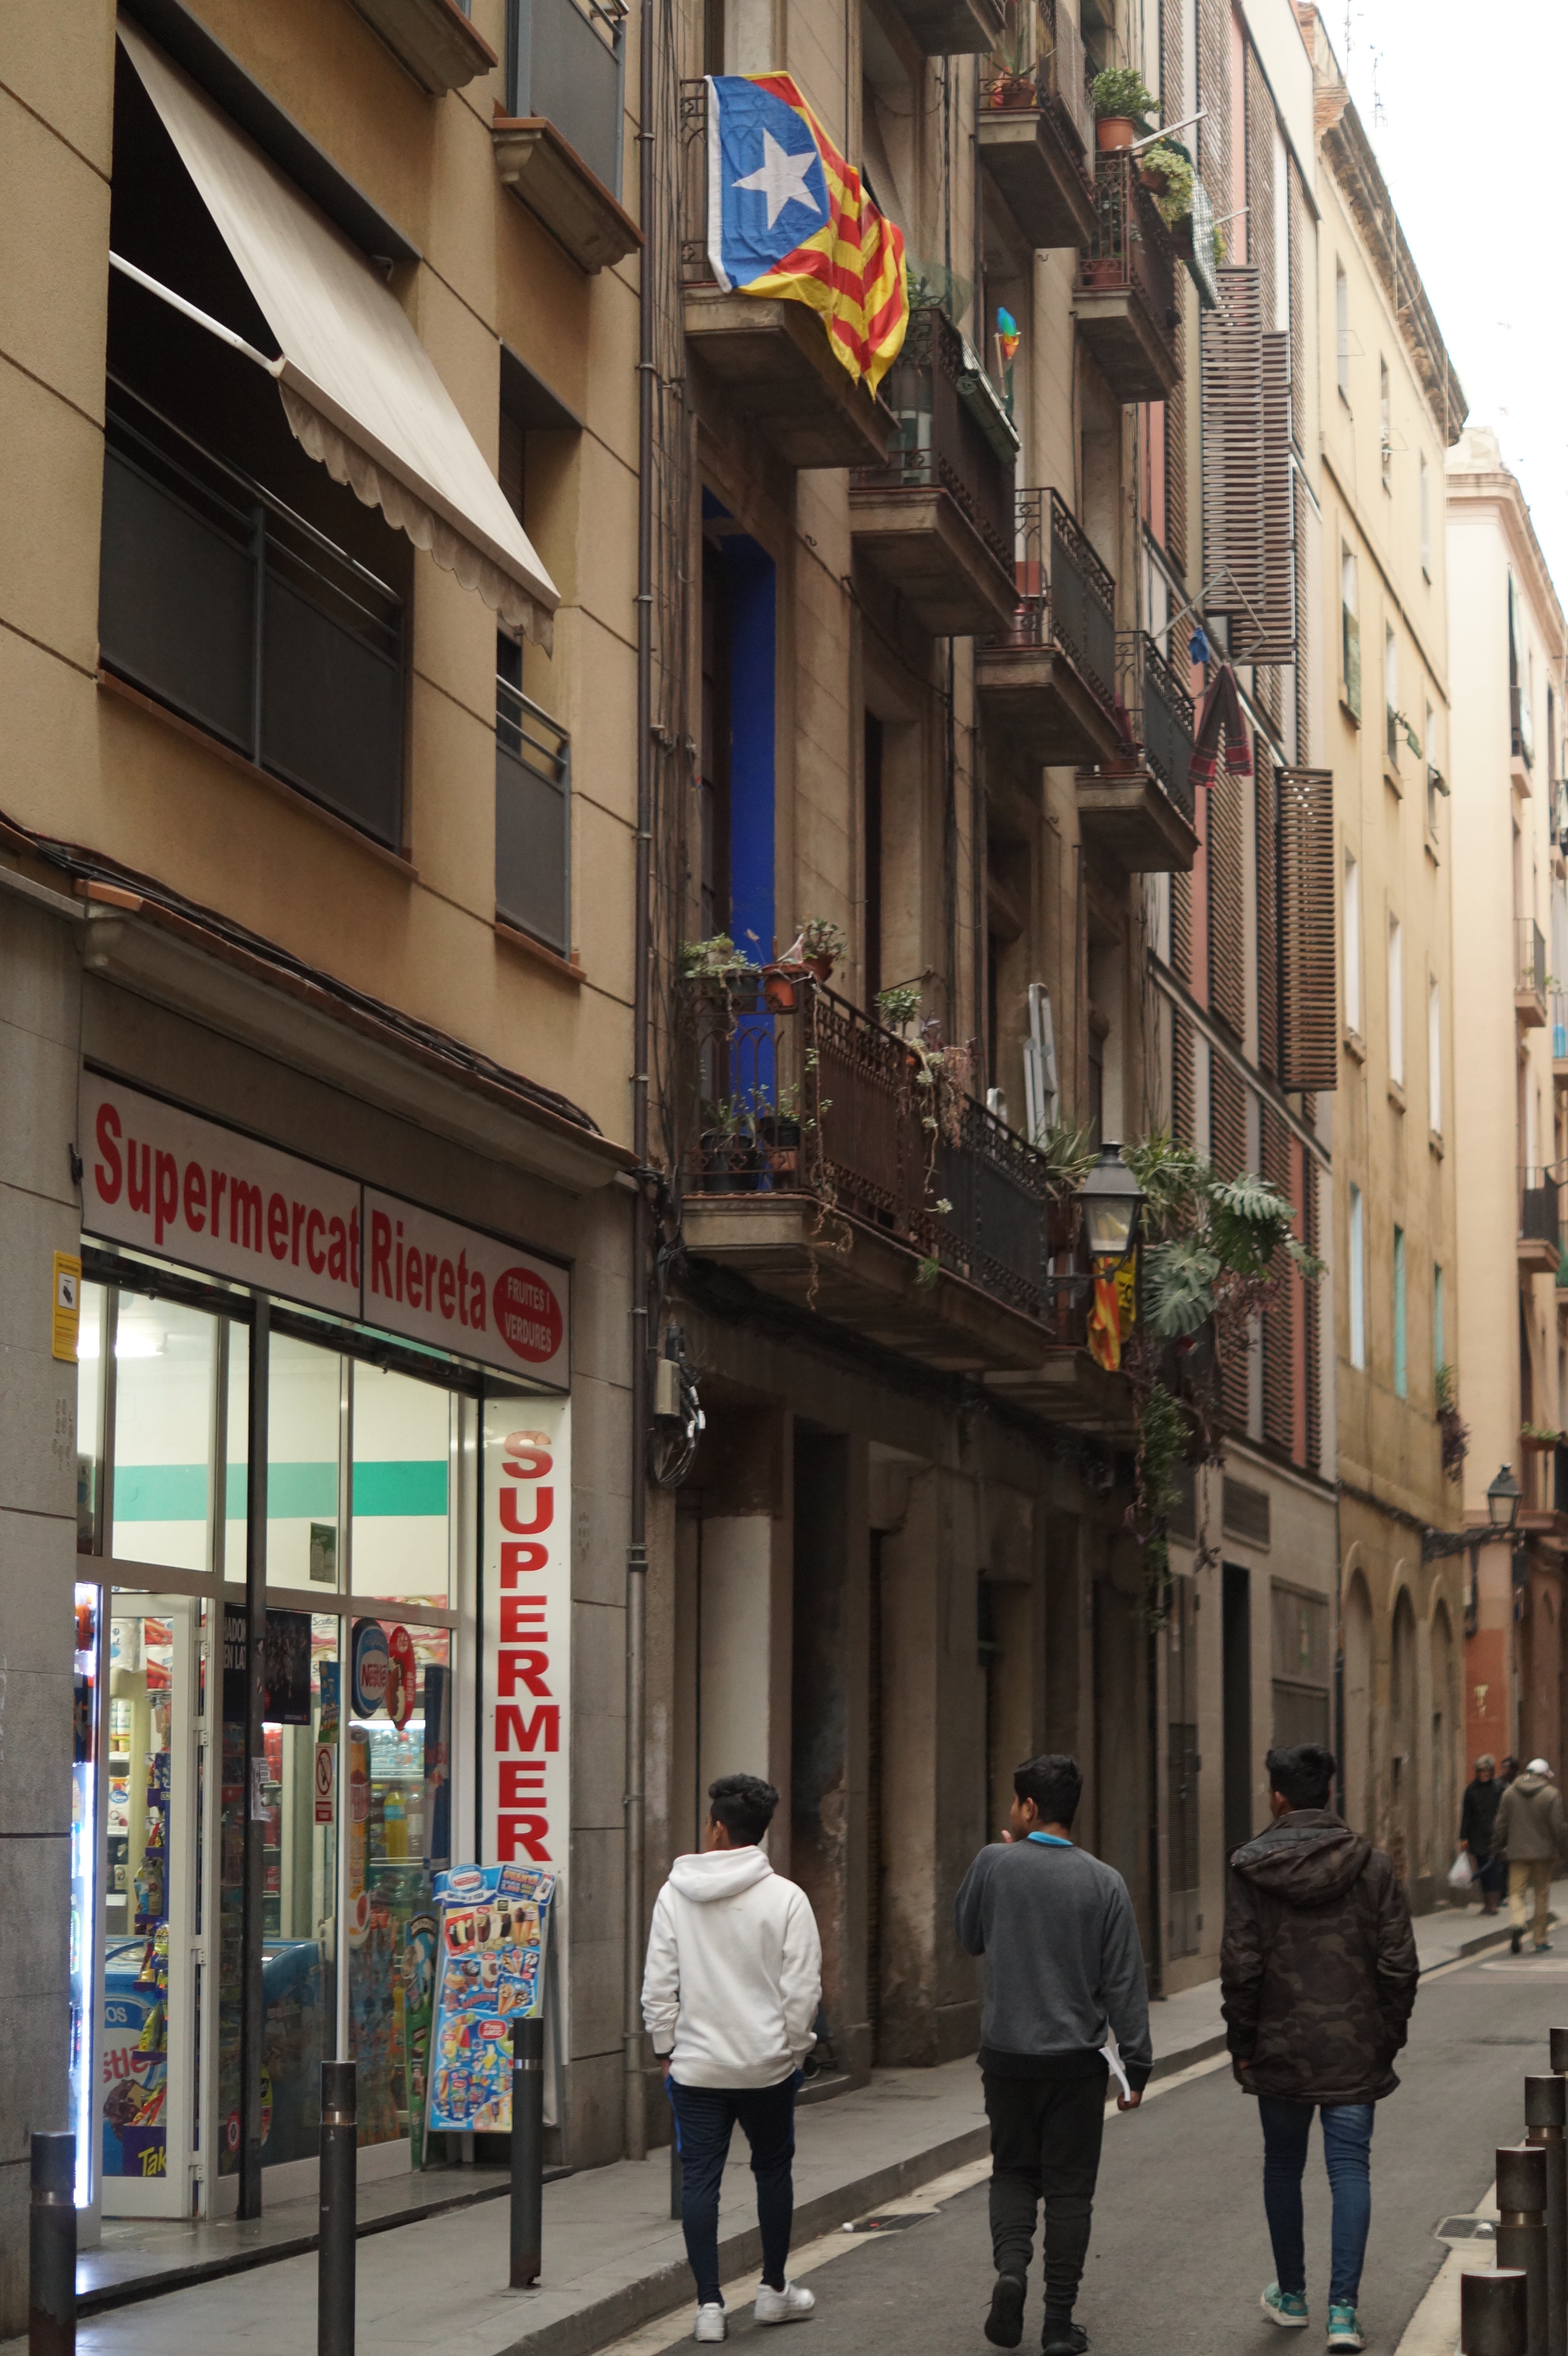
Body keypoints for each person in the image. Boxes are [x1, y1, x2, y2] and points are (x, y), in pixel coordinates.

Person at [1220, 1742, 1418, 2354]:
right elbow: (1399, 1964)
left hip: (1277, 2047)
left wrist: (1243, 2042)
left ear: (1277, 1798)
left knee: (1283, 2165)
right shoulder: (1373, 1865)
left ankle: (1292, 2296)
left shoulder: (1250, 1868)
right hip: (1354, 2048)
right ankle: (1343, 2313)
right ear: (1328, 1795)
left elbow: (1241, 1966)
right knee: (1349, 2168)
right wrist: (1385, 2037)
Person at [955, 1753, 1151, 2356]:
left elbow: (968, 1936)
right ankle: (1058, 2324)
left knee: (1013, 2171)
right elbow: (1124, 1981)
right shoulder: (1104, 1881)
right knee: (1069, 2191)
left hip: (1007, 2058)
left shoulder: (993, 1863)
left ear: (1029, 1807)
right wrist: (1137, 2065)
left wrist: (998, 1859)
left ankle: (1012, 2269)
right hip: (1076, 2064)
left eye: (1015, 1802)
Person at [642, 1773, 823, 2343]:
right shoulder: (787, 1898)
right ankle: (773, 2290)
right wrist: (795, 2052)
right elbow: (803, 1992)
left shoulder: (675, 1895)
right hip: (767, 2066)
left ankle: (709, 2307)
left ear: (717, 1827)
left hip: (696, 2067)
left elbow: (658, 1985)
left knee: (701, 2179)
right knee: (773, 2170)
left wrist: (665, 2048)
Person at [1492, 1756, 1568, 1954]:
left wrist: (1497, 1848)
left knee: (1516, 1893)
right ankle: (1540, 1939)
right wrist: (1564, 1851)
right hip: (1543, 1854)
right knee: (1541, 1894)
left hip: (1517, 1853)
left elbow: (1501, 1824)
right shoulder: (1551, 1795)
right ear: (1544, 1775)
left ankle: (1518, 1923)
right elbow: (1559, 1828)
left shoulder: (1509, 1793)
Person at [1457, 1755, 1505, 1914]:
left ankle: (1494, 1903)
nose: (1485, 1774)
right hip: (1477, 1836)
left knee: (1495, 1869)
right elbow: (1466, 1815)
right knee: (1483, 1869)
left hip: (1495, 1835)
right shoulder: (1471, 1790)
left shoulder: (1499, 1788)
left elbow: (1504, 1812)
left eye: (1487, 1771)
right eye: (1481, 1771)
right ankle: (1487, 1903)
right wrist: (1464, 1837)